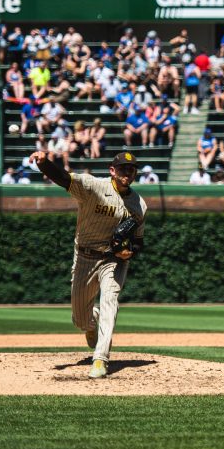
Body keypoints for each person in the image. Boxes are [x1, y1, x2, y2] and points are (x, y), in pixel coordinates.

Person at [29, 150, 147, 379]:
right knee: (80, 320)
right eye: (123, 168)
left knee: (110, 299)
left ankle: (101, 359)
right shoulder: (93, 187)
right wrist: (44, 164)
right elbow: (65, 179)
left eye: (131, 169)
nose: (128, 172)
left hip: (112, 260)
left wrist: (128, 252)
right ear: (112, 171)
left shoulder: (138, 204)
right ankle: (90, 323)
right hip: (84, 256)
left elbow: (139, 242)